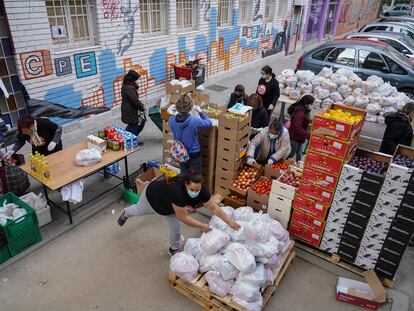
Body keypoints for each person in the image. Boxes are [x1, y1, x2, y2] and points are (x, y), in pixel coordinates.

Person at [117, 172, 240, 255]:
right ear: (185, 184)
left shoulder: (201, 191)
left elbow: (213, 207)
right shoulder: (177, 192)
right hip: (153, 198)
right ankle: (125, 213)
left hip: (171, 208)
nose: (195, 192)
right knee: (139, 210)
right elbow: (183, 217)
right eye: (192, 190)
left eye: (198, 189)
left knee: (175, 228)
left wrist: (229, 221)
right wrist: (202, 226)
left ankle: (174, 249)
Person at [168, 94, 212, 175]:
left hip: (180, 152)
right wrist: (200, 112)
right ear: (190, 107)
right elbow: (209, 123)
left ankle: (183, 187)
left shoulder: (171, 120)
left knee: (184, 175)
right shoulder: (194, 121)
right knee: (195, 177)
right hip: (193, 152)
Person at [121, 70, 146, 146]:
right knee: (134, 124)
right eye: (135, 79)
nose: (137, 81)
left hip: (129, 108)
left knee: (132, 124)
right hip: (130, 110)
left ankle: (127, 138)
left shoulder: (127, 85)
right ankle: (132, 141)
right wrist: (142, 107)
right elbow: (134, 100)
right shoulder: (129, 88)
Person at [287, 95, 314, 162]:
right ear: (306, 104)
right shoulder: (299, 113)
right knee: (290, 154)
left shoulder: (304, 111)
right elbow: (297, 128)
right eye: (311, 104)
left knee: (299, 154)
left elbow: (304, 120)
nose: (312, 106)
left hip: (300, 137)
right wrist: (308, 135)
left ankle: (297, 166)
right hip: (295, 137)